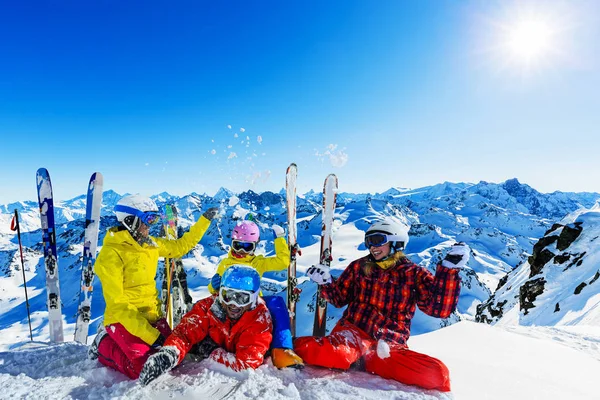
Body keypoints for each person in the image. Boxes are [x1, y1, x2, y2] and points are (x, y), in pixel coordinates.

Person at [294, 218, 468, 392]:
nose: (372, 246)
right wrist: (326, 282)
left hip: (388, 346)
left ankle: (364, 360)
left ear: (396, 242)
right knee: (332, 354)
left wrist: (449, 271)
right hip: (354, 333)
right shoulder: (359, 267)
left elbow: (438, 309)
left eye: (377, 240)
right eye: (369, 242)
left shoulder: (414, 274)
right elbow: (339, 298)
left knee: (438, 374)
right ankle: (286, 346)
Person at [87, 194, 218, 380]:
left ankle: (132, 341)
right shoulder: (111, 255)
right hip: (123, 320)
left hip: (152, 315)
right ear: (130, 220)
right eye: (147, 219)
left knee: (173, 357)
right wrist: (152, 336)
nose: (151, 225)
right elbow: (118, 306)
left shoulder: (150, 245)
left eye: (154, 219)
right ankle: (103, 343)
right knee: (142, 369)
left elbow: (181, 246)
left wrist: (204, 221)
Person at [138, 265, 273, 385]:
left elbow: (245, 365)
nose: (233, 303)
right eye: (228, 295)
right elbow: (185, 332)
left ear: (254, 298)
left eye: (242, 298)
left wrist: (212, 351)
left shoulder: (259, 320)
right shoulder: (209, 307)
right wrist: (170, 353)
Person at [207, 220, 304, 369]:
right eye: (237, 245)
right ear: (232, 243)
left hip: (253, 302)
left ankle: (282, 349)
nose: (241, 251)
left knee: (276, 303)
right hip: (231, 304)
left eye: (247, 247)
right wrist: (213, 286)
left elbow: (282, 262)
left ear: (255, 246)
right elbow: (214, 290)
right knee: (207, 306)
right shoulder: (225, 264)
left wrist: (279, 239)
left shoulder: (258, 262)